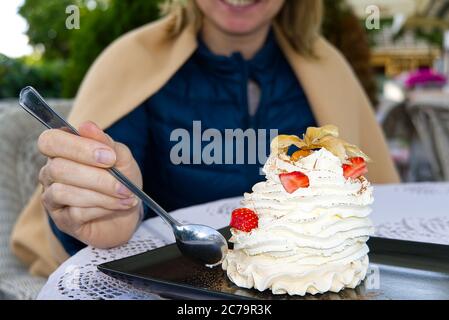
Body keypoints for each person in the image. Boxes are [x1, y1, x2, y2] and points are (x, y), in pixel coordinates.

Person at [11, 0, 400, 276]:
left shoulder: (328, 68)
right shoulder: (130, 61)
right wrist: (106, 206)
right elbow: (98, 204)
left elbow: (369, 212)